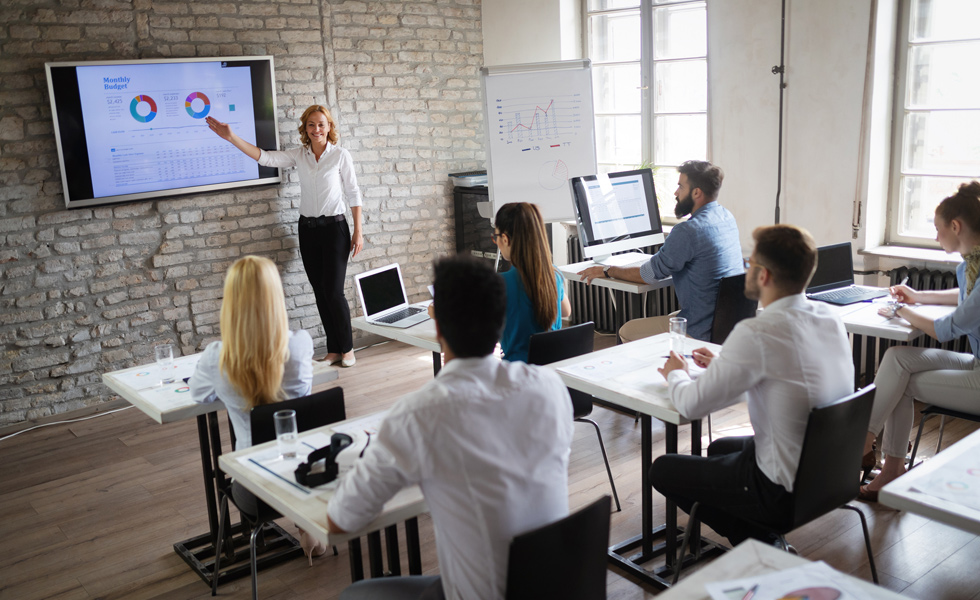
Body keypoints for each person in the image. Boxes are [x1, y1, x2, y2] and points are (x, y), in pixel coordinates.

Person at [327, 255, 574, 600]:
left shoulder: (418, 415)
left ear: (439, 328)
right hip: (554, 586)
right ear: (502, 322)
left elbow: (342, 519)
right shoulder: (549, 387)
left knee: (354, 594)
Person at [651, 225, 853, 545]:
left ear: (764, 275)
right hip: (829, 474)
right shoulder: (830, 319)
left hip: (781, 492)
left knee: (662, 469)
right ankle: (761, 541)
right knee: (718, 449)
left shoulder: (758, 331)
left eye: (750, 263)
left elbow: (690, 405)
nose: (745, 267)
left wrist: (675, 372)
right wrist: (725, 366)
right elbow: (788, 382)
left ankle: (761, 544)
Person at [206, 105, 362, 368]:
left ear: (329, 127)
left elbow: (354, 193)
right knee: (320, 292)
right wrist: (231, 137)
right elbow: (265, 158)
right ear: (305, 128)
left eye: (321, 124)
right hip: (307, 230)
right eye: (311, 125)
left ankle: (348, 349)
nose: (316, 129)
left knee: (334, 292)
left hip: (335, 229)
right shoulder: (299, 155)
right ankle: (334, 349)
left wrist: (358, 230)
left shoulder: (340, 156)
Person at [187, 256, 321, 561]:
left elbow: (198, 394)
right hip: (310, 478)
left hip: (255, 493)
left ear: (231, 302)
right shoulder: (300, 345)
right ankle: (305, 520)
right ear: (276, 296)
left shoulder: (217, 358)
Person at [859, 182, 980, 502]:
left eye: (939, 229)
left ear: (956, 226)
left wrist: (902, 310)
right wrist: (917, 296)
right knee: (898, 358)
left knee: (901, 380)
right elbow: (965, 298)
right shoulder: (971, 263)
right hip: (976, 363)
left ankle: (884, 463)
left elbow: (948, 328)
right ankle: (871, 444)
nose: (937, 237)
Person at [580, 160, 742, 342]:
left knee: (627, 330)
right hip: (726, 323)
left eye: (681, 186)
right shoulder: (726, 217)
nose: (676, 192)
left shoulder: (688, 231)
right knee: (673, 314)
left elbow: (646, 275)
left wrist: (607, 270)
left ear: (697, 192)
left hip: (700, 329)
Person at [491, 202, 572, 363]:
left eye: (496, 237)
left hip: (516, 375)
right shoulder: (554, 274)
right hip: (552, 372)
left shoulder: (500, 284)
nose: (496, 242)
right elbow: (566, 312)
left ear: (505, 239)